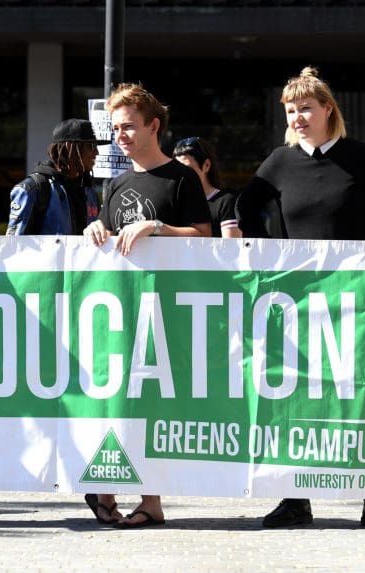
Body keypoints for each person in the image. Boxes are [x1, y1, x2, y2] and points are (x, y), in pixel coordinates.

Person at [236, 66, 365, 530]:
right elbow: (243, 210)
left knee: (363, 394)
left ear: (328, 109)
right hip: (295, 302)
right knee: (294, 394)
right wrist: (265, 251)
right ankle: (295, 499)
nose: (297, 117)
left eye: (306, 109)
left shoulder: (361, 158)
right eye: (291, 111)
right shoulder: (278, 162)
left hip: (357, 300)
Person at [83, 83, 211, 528]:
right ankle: (106, 490)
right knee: (113, 401)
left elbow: (205, 237)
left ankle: (150, 499)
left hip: (165, 310)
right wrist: (92, 232)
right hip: (117, 312)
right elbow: (103, 228)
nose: (121, 135)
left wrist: (158, 227)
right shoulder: (116, 182)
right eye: (115, 128)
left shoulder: (182, 178)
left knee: (149, 406)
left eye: (129, 126)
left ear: (154, 126)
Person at [7, 118, 104, 236]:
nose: (96, 152)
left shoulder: (89, 191)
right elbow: (14, 246)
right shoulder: (32, 189)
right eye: (91, 146)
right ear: (70, 148)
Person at [172, 137, 241, 238]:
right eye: (177, 170)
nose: (181, 175)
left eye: (187, 169)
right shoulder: (175, 202)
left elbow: (232, 249)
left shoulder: (225, 202)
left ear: (207, 165)